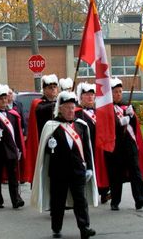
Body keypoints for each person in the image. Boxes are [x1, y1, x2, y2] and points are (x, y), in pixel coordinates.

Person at [31, 91, 98, 239]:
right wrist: (50, 145)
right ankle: (56, 226)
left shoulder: (81, 126)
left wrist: (89, 169)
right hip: (58, 172)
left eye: (72, 107)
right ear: (60, 109)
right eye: (67, 107)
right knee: (58, 202)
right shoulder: (51, 126)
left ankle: (84, 227)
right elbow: (45, 152)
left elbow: (87, 149)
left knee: (81, 201)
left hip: (77, 170)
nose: (70, 110)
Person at [98, 78, 143, 211]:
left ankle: (140, 199)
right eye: (115, 92)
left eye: (120, 91)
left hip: (129, 145)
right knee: (116, 175)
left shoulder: (125, 106)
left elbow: (134, 126)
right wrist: (121, 121)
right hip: (116, 147)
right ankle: (115, 201)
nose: (118, 94)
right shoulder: (106, 109)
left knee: (135, 172)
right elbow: (108, 126)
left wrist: (132, 116)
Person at [75, 82, 111, 204]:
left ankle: (104, 192)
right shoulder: (77, 113)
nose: (90, 97)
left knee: (102, 169)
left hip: (99, 146)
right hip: (86, 147)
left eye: (92, 94)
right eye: (87, 95)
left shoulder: (97, 112)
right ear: (80, 97)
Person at [26, 74, 59, 182]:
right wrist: (58, 104)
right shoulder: (39, 103)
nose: (53, 89)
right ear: (44, 90)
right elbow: (42, 110)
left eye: (55, 87)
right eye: (50, 87)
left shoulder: (60, 103)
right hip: (44, 142)